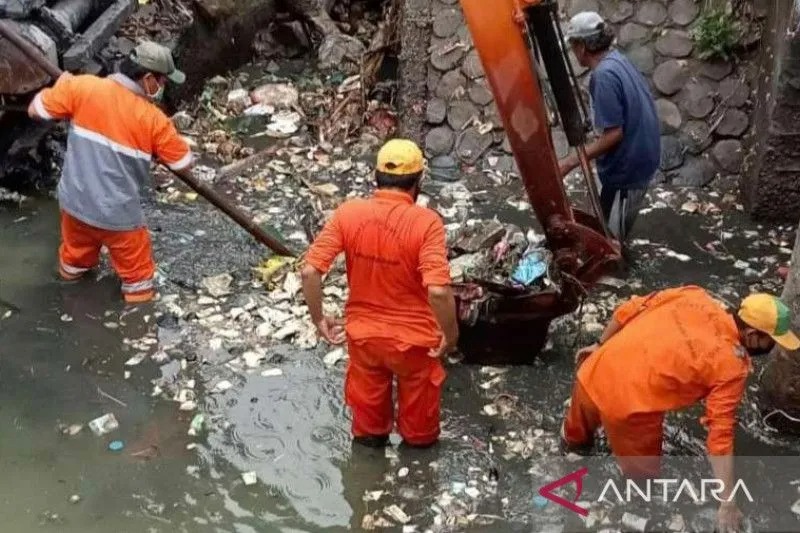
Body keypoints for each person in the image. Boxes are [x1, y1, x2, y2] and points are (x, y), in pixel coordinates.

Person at [562, 286, 800, 532]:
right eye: (772, 341)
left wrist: (599, 345)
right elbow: (719, 437)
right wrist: (727, 502)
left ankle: (568, 463)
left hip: (593, 370)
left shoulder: (693, 295)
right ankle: (628, 512)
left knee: (574, 440)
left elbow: (628, 309)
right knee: (641, 481)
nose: (773, 348)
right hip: (629, 410)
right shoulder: (730, 365)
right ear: (752, 335)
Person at [300, 139, 458, 449]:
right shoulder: (427, 223)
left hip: (364, 340)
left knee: (368, 436)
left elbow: (309, 271)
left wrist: (318, 318)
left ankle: (366, 490)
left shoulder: (349, 213)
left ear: (376, 176)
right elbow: (438, 291)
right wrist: (451, 336)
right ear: (419, 181)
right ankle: (416, 487)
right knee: (420, 440)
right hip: (415, 346)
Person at [28, 41, 193, 303]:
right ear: (148, 79)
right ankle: (137, 328)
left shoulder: (82, 87)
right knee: (139, 280)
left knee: (73, 262)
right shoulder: (153, 120)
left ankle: (67, 302)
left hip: (75, 205)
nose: (162, 88)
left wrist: (66, 87)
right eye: (161, 82)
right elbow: (183, 163)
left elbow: (35, 109)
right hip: (119, 217)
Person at [558, 11, 661, 242]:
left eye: (574, 46)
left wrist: (572, 162)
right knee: (604, 223)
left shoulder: (603, 76)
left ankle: (617, 272)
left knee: (611, 242)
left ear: (582, 46)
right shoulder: (617, 61)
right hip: (642, 157)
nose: (574, 53)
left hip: (628, 168)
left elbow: (614, 134)